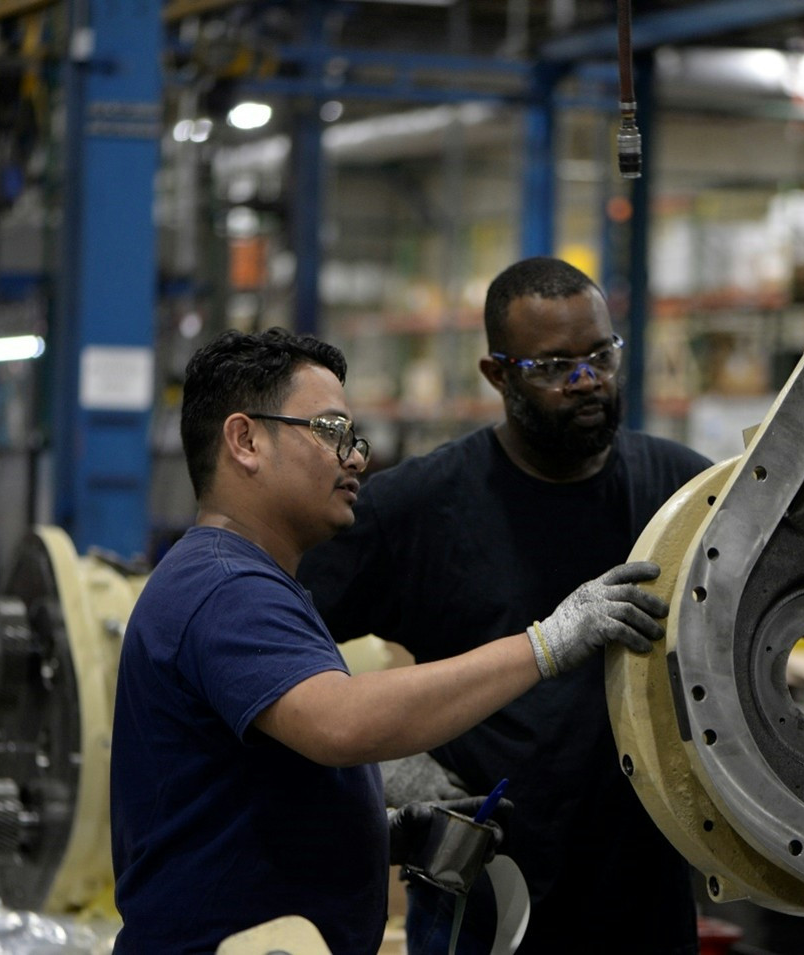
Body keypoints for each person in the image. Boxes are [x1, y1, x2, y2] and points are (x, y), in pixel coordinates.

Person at [109, 327, 672, 954]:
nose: (355, 458)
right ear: (245, 441)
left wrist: (385, 831)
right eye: (330, 432)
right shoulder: (226, 585)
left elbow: (240, 802)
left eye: (354, 439)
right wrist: (547, 644)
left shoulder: (252, 583)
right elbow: (340, 724)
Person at [298, 257, 713, 955]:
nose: (586, 381)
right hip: (486, 888)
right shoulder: (422, 507)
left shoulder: (681, 494)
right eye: (554, 365)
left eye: (599, 355)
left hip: (643, 886)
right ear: (497, 374)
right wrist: (382, 763)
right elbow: (278, 642)